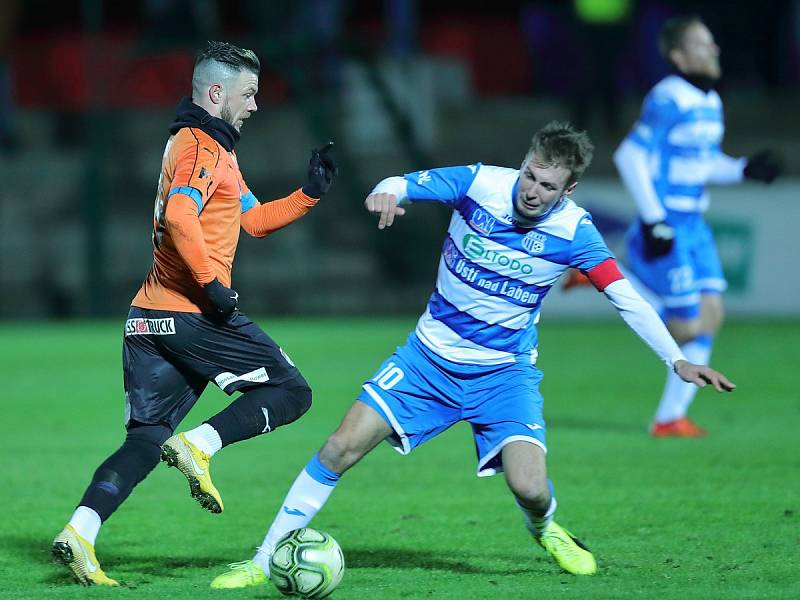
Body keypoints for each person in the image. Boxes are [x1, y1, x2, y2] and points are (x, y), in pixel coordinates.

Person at [208, 121, 735, 589]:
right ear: (524, 163)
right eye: (530, 174)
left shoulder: (575, 232)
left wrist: (676, 360)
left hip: (504, 375)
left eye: (547, 185)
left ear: (568, 190)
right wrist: (385, 193)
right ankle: (261, 559)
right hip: (427, 361)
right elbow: (402, 182)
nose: (531, 190)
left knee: (529, 488)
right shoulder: (482, 182)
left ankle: (545, 526)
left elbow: (625, 297)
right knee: (338, 448)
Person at [51, 41, 338, 586]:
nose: (255, 105)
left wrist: (308, 195)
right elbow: (182, 217)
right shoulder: (203, 147)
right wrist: (212, 283)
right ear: (215, 93)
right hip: (190, 313)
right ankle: (199, 445)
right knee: (294, 392)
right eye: (248, 94)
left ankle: (80, 532)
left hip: (147, 318)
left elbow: (252, 220)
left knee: (143, 438)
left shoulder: (202, 147)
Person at [613, 16, 780, 438]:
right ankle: (603, 278)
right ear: (678, 57)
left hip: (694, 224)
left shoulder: (709, 101)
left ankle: (669, 417)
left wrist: (743, 169)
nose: (715, 50)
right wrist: (654, 219)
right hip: (667, 222)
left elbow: (703, 163)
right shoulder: (668, 97)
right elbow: (629, 157)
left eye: (713, 42)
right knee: (686, 327)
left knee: (711, 315)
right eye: (703, 44)